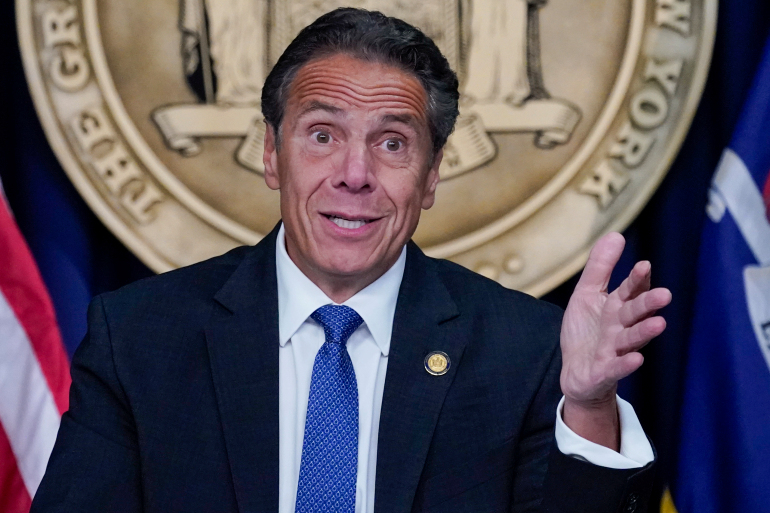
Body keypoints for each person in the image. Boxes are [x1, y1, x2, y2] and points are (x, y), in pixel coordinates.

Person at [31, 8, 671, 513]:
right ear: (271, 155)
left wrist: (588, 408)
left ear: (429, 178)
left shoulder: (524, 351)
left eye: (392, 143)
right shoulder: (142, 337)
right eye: (322, 135)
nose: (354, 175)